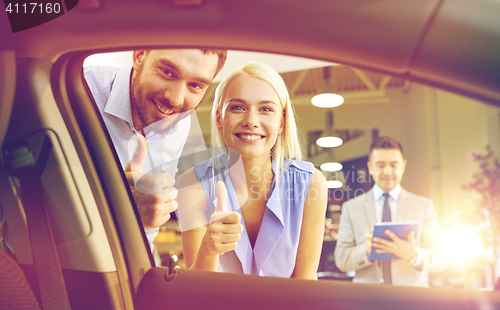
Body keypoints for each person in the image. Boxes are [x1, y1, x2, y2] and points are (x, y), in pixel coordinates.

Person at [177, 61, 327, 279]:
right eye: (238, 107)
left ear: (282, 122)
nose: (251, 121)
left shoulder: (311, 183)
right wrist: (208, 249)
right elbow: (198, 291)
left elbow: (305, 285)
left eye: (265, 109)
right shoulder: (193, 183)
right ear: (219, 118)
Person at [84, 49, 227, 250]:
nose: (176, 99)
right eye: (167, 72)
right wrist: (119, 206)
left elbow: (147, 223)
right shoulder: (79, 89)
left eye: (195, 85)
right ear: (139, 56)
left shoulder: (178, 121)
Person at [334, 136, 445, 287]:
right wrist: (366, 251)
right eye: (380, 165)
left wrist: (414, 255)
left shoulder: (424, 206)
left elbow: (441, 257)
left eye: (394, 165)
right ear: (370, 167)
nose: (387, 171)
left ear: (403, 166)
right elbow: (341, 259)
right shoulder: (351, 208)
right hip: (366, 300)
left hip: (412, 299)